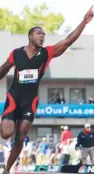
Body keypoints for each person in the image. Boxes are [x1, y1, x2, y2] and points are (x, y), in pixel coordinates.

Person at [0, 6, 94, 174]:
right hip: (14, 97)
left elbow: (67, 41)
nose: (42, 36)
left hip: (30, 101)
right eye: (39, 33)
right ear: (30, 36)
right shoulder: (16, 53)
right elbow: (4, 69)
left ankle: (7, 169)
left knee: (21, 135)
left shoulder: (46, 53)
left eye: (44, 34)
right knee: (6, 134)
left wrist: (84, 22)